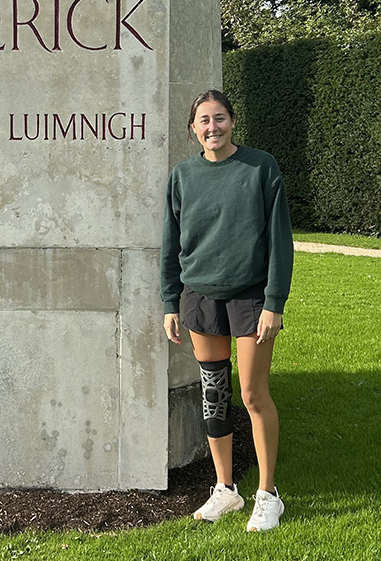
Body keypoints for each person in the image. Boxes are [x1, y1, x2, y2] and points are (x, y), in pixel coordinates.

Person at [160, 89, 293, 532]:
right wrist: (169, 300)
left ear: (232, 122)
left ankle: (268, 494)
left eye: (219, 118)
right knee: (214, 397)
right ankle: (226, 489)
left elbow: (279, 241)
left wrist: (273, 303)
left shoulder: (260, 167)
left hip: (250, 298)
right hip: (200, 298)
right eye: (203, 120)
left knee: (254, 396)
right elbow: (170, 244)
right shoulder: (182, 176)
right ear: (192, 129)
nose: (212, 127)